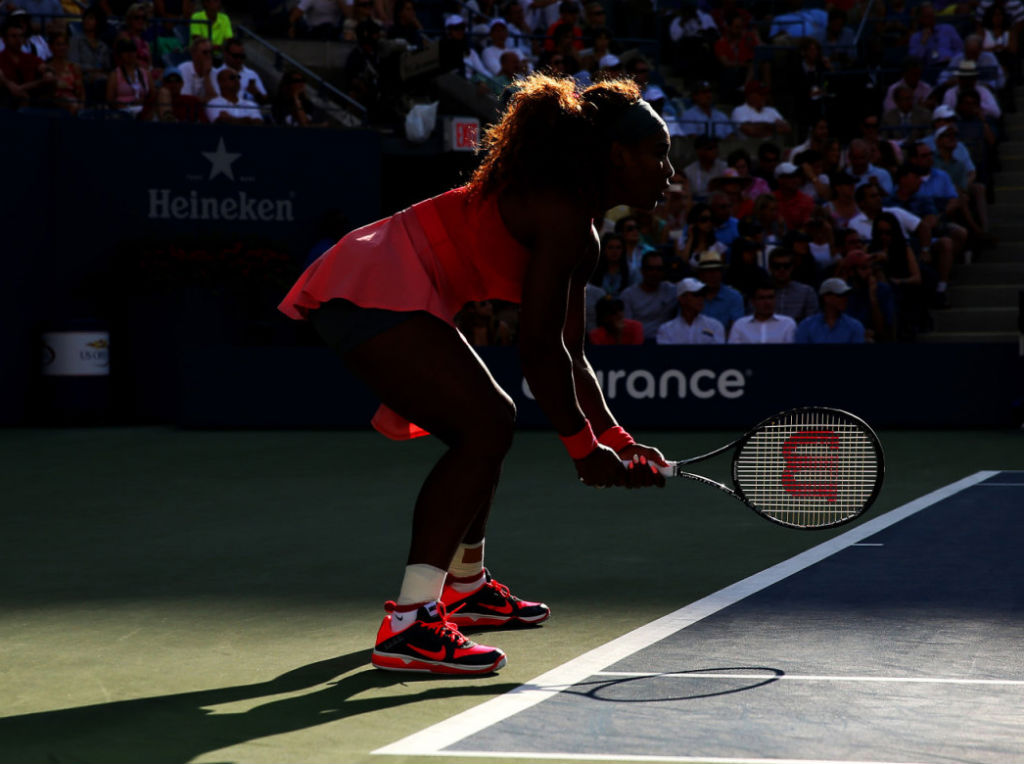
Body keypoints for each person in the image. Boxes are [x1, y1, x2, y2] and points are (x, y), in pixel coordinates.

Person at [278, 73, 669, 676]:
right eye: (658, 155)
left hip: (403, 289)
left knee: (486, 426)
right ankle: (409, 625)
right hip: (372, 284)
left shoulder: (581, 232)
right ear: (617, 157)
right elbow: (538, 354)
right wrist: (582, 451)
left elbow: (570, 351)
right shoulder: (561, 211)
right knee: (487, 424)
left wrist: (615, 441)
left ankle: (465, 585)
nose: (669, 172)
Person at [619, 251, 678, 341]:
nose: (655, 273)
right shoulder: (628, 295)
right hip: (638, 344)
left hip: (666, 343)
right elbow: (626, 327)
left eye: (659, 269)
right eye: (650, 269)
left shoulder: (672, 291)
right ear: (642, 270)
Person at [839, 249, 895, 342]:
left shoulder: (883, 290)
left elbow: (884, 332)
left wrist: (873, 299)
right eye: (864, 268)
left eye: (871, 267)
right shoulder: (845, 292)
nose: (869, 272)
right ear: (851, 272)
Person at [0, 18, 53, 109]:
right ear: (4, 39)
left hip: (31, 102)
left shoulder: (31, 59)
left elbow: (47, 70)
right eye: (13, 36)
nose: (18, 40)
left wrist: (47, 72)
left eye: (20, 36)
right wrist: (9, 85)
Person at [655, 277, 726, 344]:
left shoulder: (715, 326)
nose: (701, 298)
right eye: (696, 294)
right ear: (682, 299)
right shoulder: (666, 330)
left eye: (702, 294)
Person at [795, 278, 866, 343]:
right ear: (826, 298)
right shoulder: (806, 326)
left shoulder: (855, 326)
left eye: (846, 295)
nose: (845, 299)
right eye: (840, 295)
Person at [727, 281, 797, 344]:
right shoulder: (740, 325)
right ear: (753, 301)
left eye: (770, 297)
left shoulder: (788, 324)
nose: (767, 302)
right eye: (762, 298)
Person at [68, 6, 110, 106]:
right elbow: (74, 65)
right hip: (81, 78)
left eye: (91, 18)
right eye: (85, 18)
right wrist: (93, 73)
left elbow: (107, 67)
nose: (86, 21)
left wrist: (99, 73)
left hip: (100, 79)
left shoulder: (103, 46)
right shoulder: (75, 41)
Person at [694, 249, 744, 331]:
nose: (713, 275)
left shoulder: (734, 297)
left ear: (722, 273)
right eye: (708, 271)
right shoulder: (691, 297)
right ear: (701, 275)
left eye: (716, 271)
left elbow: (735, 330)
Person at [105, 36, 153, 117]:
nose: (129, 54)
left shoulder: (146, 73)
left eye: (132, 51)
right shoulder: (114, 75)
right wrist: (123, 106)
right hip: (123, 112)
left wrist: (145, 104)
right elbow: (110, 100)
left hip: (143, 110)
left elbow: (152, 94)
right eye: (126, 51)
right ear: (121, 54)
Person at [769, 248, 819, 322]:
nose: (781, 269)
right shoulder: (760, 293)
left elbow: (812, 323)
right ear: (770, 268)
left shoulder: (806, 292)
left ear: (792, 267)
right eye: (777, 266)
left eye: (786, 266)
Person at [213, 38, 267, 104]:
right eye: (235, 56)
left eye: (242, 56)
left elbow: (265, 101)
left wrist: (256, 93)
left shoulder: (252, 74)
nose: (239, 59)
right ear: (225, 54)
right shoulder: (216, 74)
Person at [589, 232, 634, 296]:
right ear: (604, 249)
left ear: (623, 250)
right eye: (610, 247)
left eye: (618, 247)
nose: (614, 251)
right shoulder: (594, 270)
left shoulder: (631, 271)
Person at [683, 134, 727, 201]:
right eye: (710, 148)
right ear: (699, 151)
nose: (715, 151)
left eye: (715, 147)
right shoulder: (689, 171)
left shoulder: (724, 167)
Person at [178, 36, 217, 103]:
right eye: (205, 52)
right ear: (194, 54)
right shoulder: (184, 69)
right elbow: (186, 99)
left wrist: (206, 75)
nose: (209, 55)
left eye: (210, 52)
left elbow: (215, 101)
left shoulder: (214, 71)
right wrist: (206, 100)